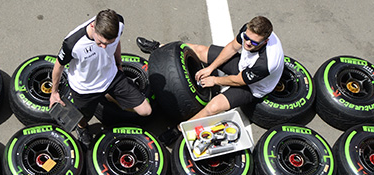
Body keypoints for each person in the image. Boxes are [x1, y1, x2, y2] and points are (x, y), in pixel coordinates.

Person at [137, 16, 284, 123]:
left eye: (253, 42)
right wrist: (211, 68)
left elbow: (239, 80)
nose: (247, 43)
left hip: (253, 86)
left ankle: (180, 129)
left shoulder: (266, 63)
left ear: (265, 41)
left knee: (214, 106)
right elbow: (233, 47)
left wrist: (214, 79)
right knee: (200, 50)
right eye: (246, 38)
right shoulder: (248, 31)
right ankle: (159, 47)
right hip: (242, 65)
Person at [50, 9, 152, 146]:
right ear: (93, 26)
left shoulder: (119, 23)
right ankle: (82, 129)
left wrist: (118, 63)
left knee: (146, 111)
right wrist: (54, 92)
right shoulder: (72, 42)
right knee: (82, 119)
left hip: (111, 77)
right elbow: (58, 65)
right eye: (100, 42)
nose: (103, 47)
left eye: (108, 43)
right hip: (85, 88)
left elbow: (117, 43)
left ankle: (108, 96)